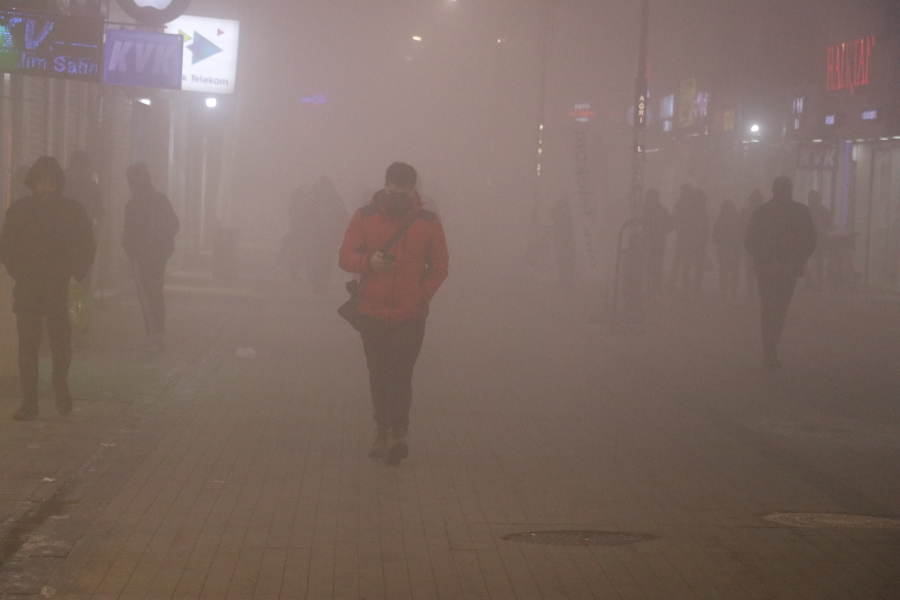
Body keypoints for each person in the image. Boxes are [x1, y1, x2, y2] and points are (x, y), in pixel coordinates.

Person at [339, 162, 449, 465]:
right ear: (385, 186)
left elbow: (440, 265)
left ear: (414, 190)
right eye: (393, 190)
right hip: (372, 311)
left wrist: (422, 294)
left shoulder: (428, 222)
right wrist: (368, 262)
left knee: (400, 374)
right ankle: (382, 430)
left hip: (410, 313)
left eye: (404, 192)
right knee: (379, 374)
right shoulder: (364, 217)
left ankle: (398, 432)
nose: (398, 196)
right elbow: (345, 256)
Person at [0, 157, 96, 420]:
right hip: (29, 286)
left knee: (60, 344)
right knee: (27, 346)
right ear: (33, 183)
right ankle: (29, 401)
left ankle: (60, 384)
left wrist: (74, 274)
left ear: (59, 184)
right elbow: (7, 245)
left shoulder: (72, 210)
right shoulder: (20, 210)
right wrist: (18, 271)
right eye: (42, 181)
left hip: (59, 287)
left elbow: (87, 245)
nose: (46, 187)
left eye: (51, 182)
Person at [745, 176, 817, 369]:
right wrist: (795, 261)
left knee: (769, 309)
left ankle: (769, 349)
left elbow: (750, 241)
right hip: (789, 270)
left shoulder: (762, 212)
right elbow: (810, 240)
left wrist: (767, 260)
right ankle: (771, 348)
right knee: (779, 310)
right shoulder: (801, 212)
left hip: (767, 270)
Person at [122, 164, 180, 351]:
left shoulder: (134, 204)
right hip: (159, 255)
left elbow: (129, 234)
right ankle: (158, 333)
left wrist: (131, 251)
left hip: (142, 257)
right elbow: (175, 224)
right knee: (156, 292)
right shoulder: (161, 199)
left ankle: (153, 335)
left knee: (147, 295)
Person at [641, 188, 672, 299]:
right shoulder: (645, 210)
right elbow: (670, 227)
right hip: (650, 241)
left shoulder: (644, 210)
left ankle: (653, 289)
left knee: (654, 266)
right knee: (649, 265)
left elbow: (670, 227)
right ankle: (650, 289)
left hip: (654, 242)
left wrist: (662, 229)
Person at [713, 199, 742, 299]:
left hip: (724, 249)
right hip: (734, 250)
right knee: (733, 271)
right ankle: (732, 291)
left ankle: (724, 292)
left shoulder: (720, 221)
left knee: (724, 271)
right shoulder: (737, 220)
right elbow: (741, 235)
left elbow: (714, 237)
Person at [739, 190, 764, 297]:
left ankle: (751, 291)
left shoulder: (745, 211)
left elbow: (740, 228)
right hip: (761, 245)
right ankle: (758, 291)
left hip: (750, 244)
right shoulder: (766, 212)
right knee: (760, 269)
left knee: (750, 268)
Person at [549, 194, 577, 288]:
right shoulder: (568, 203)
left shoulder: (570, 203)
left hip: (566, 236)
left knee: (565, 258)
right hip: (564, 235)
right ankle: (565, 279)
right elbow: (552, 215)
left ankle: (566, 280)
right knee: (565, 258)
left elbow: (551, 215)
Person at [806, 190, 831, 289]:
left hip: (819, 240)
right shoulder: (808, 210)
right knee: (809, 261)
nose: (810, 200)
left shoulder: (822, 211)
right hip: (810, 240)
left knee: (818, 261)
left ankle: (817, 282)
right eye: (809, 198)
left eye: (811, 198)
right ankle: (811, 282)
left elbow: (829, 224)